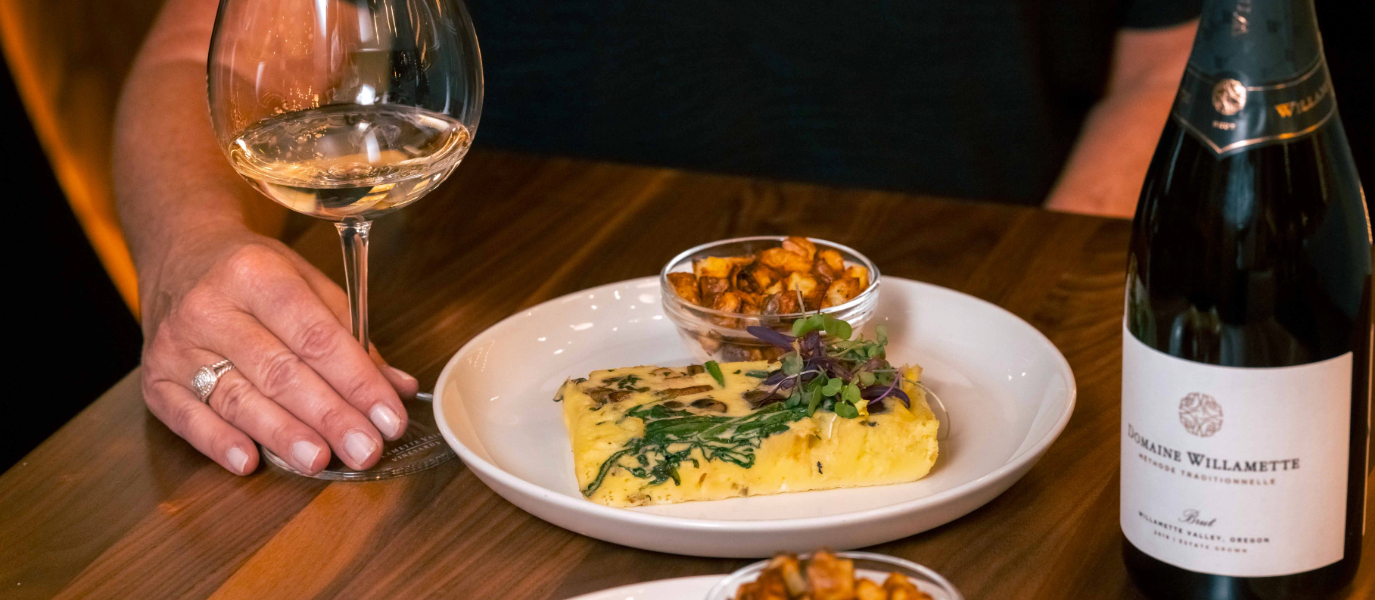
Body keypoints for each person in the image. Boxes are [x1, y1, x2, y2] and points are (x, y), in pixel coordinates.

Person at [114, 0, 1198, 474]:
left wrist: (1030, 323)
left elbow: (1171, 58)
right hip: (472, 394)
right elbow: (198, 55)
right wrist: (186, 258)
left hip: (983, 367)